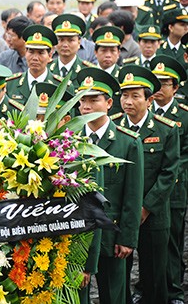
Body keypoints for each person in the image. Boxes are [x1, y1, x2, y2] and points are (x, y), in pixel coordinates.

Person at [111, 65, 180, 304]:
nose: (128, 102)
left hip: (154, 215)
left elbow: (169, 173)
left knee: (154, 275)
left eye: (135, 96)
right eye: (124, 95)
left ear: (149, 100)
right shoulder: (114, 128)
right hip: (120, 215)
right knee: (119, 274)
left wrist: (146, 207)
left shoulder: (166, 129)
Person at [77, 67, 144, 304]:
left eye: (93, 100)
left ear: (108, 103)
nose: (86, 107)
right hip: (78, 235)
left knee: (114, 294)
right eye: (82, 100)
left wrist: (127, 238)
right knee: (78, 294)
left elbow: (133, 197)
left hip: (112, 234)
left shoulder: (128, 142)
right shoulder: (68, 140)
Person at [148, 55, 188, 304]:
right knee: (144, 242)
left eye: (166, 83)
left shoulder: (183, 115)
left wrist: (170, 173)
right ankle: (147, 286)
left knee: (172, 241)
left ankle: (173, 290)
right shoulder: (143, 111)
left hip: (173, 188)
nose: (160, 88)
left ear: (175, 87)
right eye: (156, 82)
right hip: (144, 188)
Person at [6, 24, 61, 103]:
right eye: (31, 52)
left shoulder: (59, 86)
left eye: (40, 53)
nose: (35, 58)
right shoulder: (11, 84)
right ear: (25, 53)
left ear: (50, 55)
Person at [48, 13, 94, 90]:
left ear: (79, 42)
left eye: (71, 40)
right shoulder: (47, 68)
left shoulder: (89, 71)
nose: (65, 45)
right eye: (61, 40)